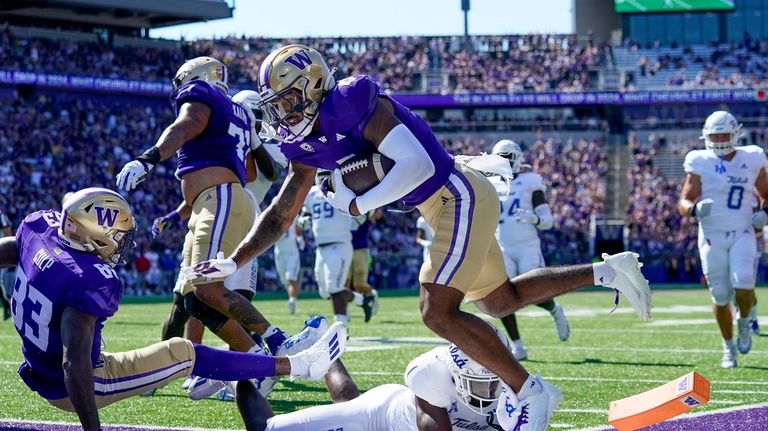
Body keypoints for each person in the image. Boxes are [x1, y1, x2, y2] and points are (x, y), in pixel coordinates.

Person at [185, 45, 651, 430]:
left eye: (287, 100)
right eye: (277, 105)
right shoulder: (304, 142)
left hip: (456, 193)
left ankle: (530, 392)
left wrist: (357, 203)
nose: (283, 113)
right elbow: (283, 211)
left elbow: (418, 165)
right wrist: (234, 259)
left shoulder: (351, 100)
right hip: (441, 203)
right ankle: (608, 270)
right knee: (498, 301)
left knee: (436, 309)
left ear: (311, 86)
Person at [0, 187, 347, 431]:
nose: (121, 244)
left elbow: (15, 248)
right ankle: (299, 365)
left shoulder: (40, 229)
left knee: (179, 350)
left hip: (41, 363)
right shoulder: (86, 277)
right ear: (95, 233)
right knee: (183, 353)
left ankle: (269, 368)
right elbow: (74, 363)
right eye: (118, 236)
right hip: (76, 381)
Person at [115, 57, 290, 358]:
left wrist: (149, 158)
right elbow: (244, 170)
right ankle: (192, 364)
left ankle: (273, 344)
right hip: (211, 202)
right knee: (190, 300)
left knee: (204, 292)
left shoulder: (204, 95)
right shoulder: (238, 114)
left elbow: (188, 124)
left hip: (221, 200)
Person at [236, 323, 559, 431]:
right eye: (478, 380)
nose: (489, 388)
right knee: (264, 428)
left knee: (348, 399)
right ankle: (243, 368)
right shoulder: (431, 371)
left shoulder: (527, 389)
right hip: (382, 416)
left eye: (496, 376)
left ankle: (320, 351)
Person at [678, 110, 768, 368]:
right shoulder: (699, 160)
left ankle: (744, 321)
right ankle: (728, 348)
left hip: (742, 230)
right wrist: (693, 209)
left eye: (723, 135)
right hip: (711, 235)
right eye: (713, 136)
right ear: (705, 136)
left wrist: (764, 214)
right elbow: (684, 202)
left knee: (744, 281)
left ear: (735, 134)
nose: (718, 141)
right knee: (719, 295)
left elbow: (766, 194)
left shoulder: (752, 157)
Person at [488, 140, 570, 360]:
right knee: (500, 295)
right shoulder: (491, 183)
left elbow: (548, 221)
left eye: (507, 158)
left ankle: (554, 309)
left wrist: (533, 218)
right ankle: (517, 346)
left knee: (531, 291)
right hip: (502, 245)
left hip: (527, 245)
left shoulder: (530, 181)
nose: (503, 163)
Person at [301, 170, 374, 323]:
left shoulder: (343, 191)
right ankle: (362, 300)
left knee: (334, 287)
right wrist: (305, 222)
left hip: (340, 244)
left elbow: (360, 216)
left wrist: (358, 215)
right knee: (325, 291)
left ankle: (341, 327)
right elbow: (305, 216)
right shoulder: (312, 194)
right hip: (321, 247)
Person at [347, 208, 382, 318]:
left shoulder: (365, 208)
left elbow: (378, 216)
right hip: (345, 248)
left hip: (361, 249)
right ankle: (344, 311)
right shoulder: (343, 206)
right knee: (344, 284)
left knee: (359, 284)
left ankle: (373, 295)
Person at [274, 214, 304, 315]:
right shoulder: (274, 215)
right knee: (285, 280)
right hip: (279, 251)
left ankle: (292, 300)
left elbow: (298, 228)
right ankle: (292, 297)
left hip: (291, 251)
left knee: (291, 278)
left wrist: (300, 238)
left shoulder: (293, 213)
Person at [0, 208, 13, 320]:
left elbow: (8, 233)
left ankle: (9, 306)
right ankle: (7, 308)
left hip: (1, 252)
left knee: (2, 283)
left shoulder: (1, 215)